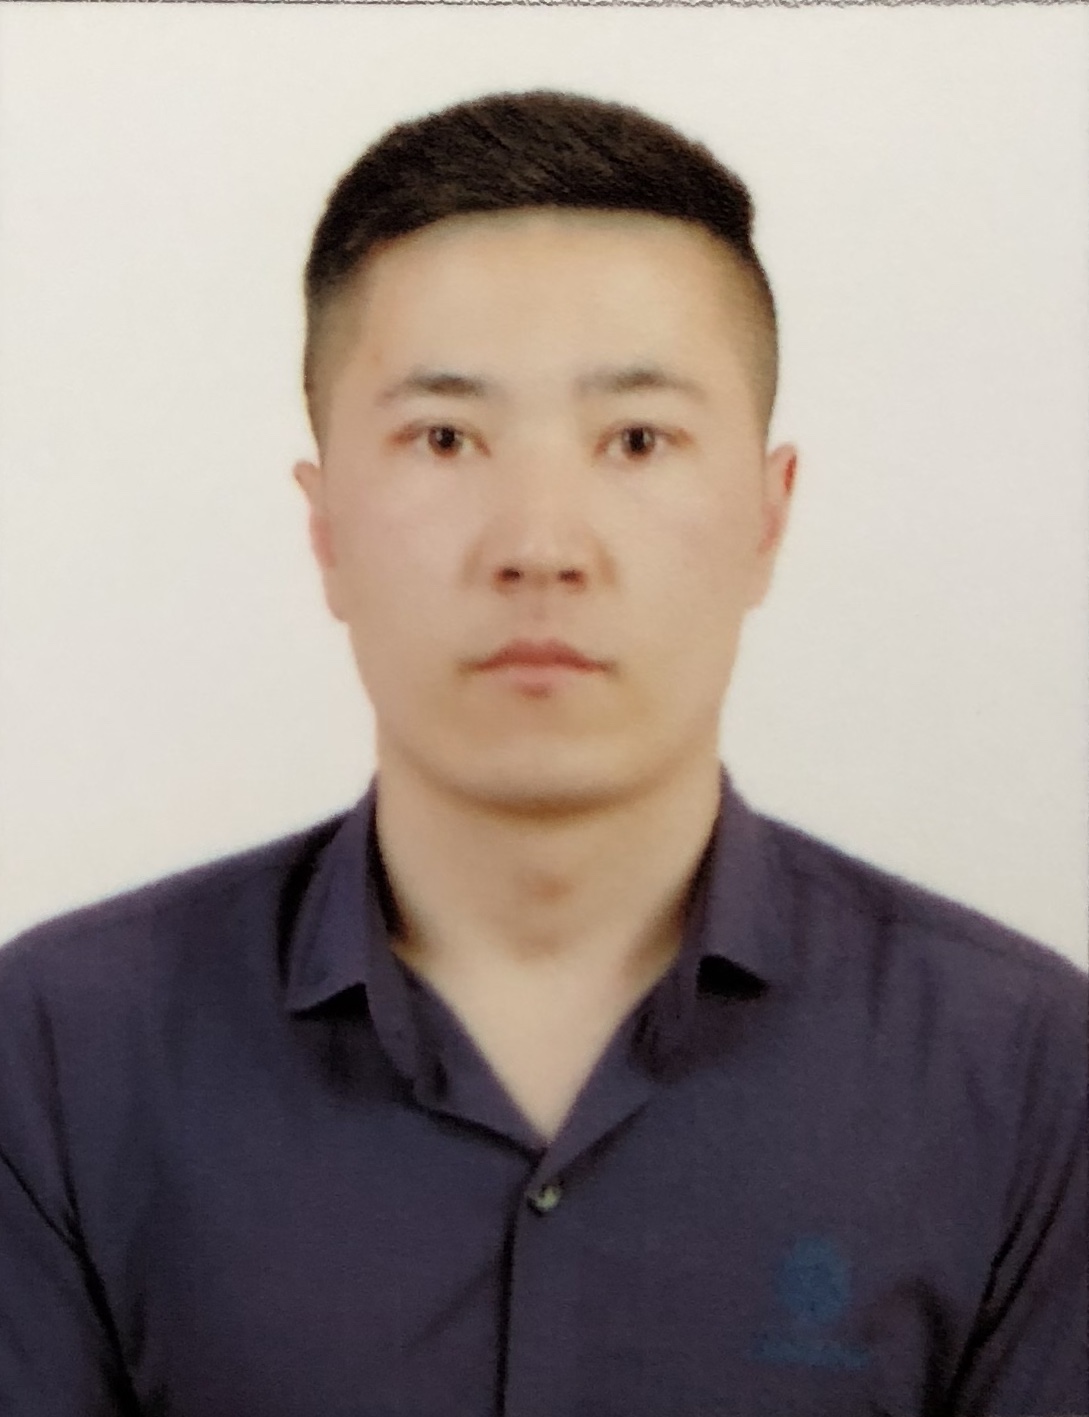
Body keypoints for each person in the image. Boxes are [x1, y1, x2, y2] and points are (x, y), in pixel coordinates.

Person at [0, 90, 1084, 1417]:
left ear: (767, 515)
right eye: (445, 438)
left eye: (636, 439)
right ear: (325, 527)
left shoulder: (1023, 1070)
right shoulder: (57, 1053)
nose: (540, 543)